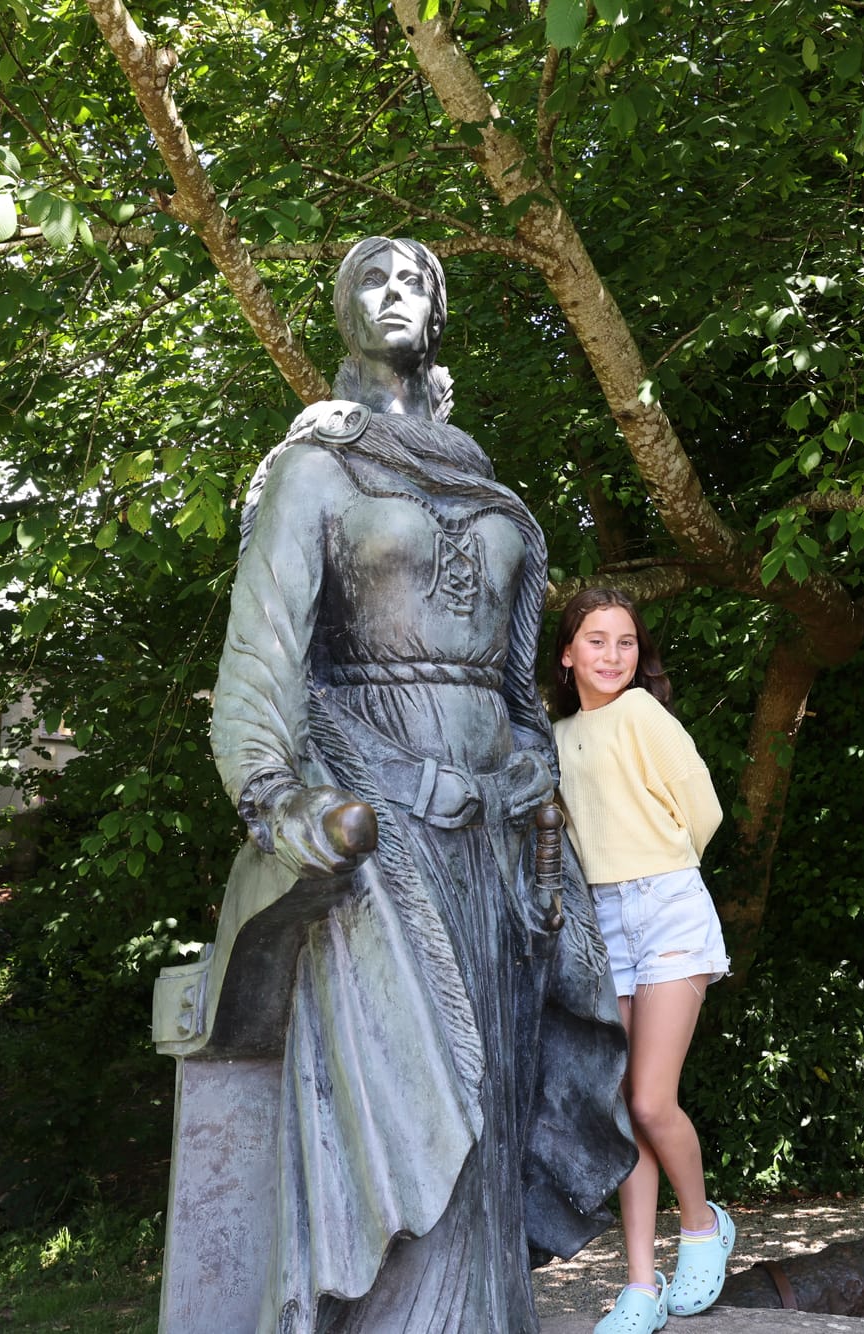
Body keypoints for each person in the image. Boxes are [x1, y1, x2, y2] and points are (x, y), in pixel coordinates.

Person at [208, 236, 637, 1334]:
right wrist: (277, 799)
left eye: (414, 281)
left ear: (438, 314)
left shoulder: (481, 480)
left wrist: (535, 777)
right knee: (411, 1101)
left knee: (495, 1098)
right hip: (376, 832)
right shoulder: (314, 466)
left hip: (498, 836)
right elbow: (262, 657)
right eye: (371, 278)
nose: (393, 293)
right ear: (341, 312)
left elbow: (514, 682)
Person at [550, 588, 736, 1333]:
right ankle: (638, 1284)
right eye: (596, 641)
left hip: (666, 907)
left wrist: (658, 867)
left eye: (625, 642)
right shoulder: (556, 737)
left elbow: (704, 810)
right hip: (601, 923)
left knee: (654, 1100)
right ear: (568, 654)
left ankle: (702, 1226)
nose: (612, 655)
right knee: (624, 1109)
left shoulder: (642, 715)